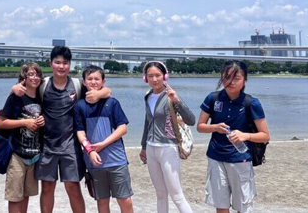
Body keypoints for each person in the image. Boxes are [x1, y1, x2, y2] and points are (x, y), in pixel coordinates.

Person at [11, 46, 111, 213]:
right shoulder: (43, 85)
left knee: (73, 188)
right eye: (57, 62)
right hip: (47, 146)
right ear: (51, 64)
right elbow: (25, 90)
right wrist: (13, 89)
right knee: (48, 188)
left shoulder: (77, 85)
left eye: (65, 63)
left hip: (71, 146)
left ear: (70, 65)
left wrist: (100, 94)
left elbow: (106, 91)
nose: (61, 66)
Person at [197, 60, 270, 213]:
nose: (230, 82)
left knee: (243, 206)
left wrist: (245, 136)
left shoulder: (251, 103)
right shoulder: (213, 98)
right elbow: (200, 127)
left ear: (244, 80)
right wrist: (215, 127)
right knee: (221, 205)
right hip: (216, 157)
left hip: (240, 159)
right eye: (227, 76)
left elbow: (265, 136)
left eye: (236, 78)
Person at [74, 65, 134, 213]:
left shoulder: (112, 103)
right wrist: (90, 151)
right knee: (102, 201)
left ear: (103, 81)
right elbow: (80, 132)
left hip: (117, 159)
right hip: (94, 161)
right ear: (84, 82)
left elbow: (123, 128)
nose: (93, 82)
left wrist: (103, 144)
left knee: (125, 199)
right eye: (89, 79)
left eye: (96, 79)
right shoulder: (79, 106)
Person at [138, 61, 195, 213]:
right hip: (151, 148)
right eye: (150, 76)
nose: (154, 79)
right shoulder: (148, 96)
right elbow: (147, 122)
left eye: (157, 75)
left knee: (177, 195)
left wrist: (177, 100)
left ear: (165, 76)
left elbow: (191, 120)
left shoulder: (171, 96)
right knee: (161, 194)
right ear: (145, 78)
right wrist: (143, 146)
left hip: (168, 148)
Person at [0, 62, 45, 213]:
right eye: (30, 74)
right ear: (23, 78)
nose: (35, 78)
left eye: (37, 74)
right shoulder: (16, 97)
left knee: (26, 195)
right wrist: (25, 122)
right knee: (15, 196)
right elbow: (1, 122)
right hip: (16, 154)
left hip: (34, 155)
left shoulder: (42, 97)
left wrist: (43, 121)